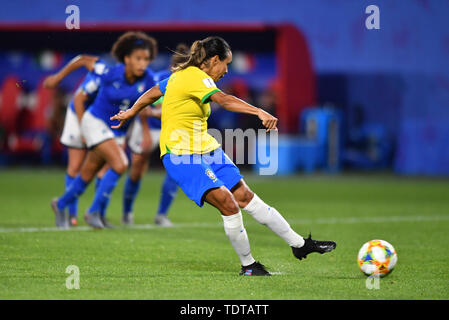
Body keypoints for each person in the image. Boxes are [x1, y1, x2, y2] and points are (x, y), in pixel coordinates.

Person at [110, 36, 337, 275]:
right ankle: (249, 266)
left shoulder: (183, 77)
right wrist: (259, 111)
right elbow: (224, 100)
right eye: (225, 64)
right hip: (181, 155)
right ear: (214, 59)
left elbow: (153, 92)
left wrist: (131, 111)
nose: (226, 70)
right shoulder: (195, 77)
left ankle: (299, 245)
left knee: (247, 197)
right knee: (228, 204)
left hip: (207, 148)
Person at [50, 31, 158, 229]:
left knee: (89, 172)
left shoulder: (148, 80)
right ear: (127, 59)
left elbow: (148, 107)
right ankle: (92, 213)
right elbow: (83, 62)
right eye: (138, 59)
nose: (143, 63)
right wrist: (57, 78)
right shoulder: (107, 72)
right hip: (94, 121)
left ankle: (61, 204)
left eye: (146, 59)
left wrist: (165, 114)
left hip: (114, 129)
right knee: (120, 163)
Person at [122, 43, 188, 227]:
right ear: (173, 67)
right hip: (148, 127)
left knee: (175, 170)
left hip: (171, 130)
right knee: (137, 169)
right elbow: (145, 108)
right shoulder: (159, 80)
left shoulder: (189, 84)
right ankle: (127, 213)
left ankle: (161, 215)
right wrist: (146, 133)